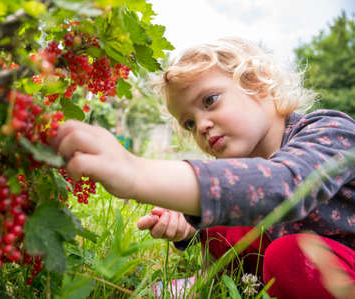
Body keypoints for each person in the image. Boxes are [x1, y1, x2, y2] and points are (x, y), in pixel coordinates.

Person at [50, 37, 355, 299]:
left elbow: (283, 186)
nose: (202, 127)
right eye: (189, 123)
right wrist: (188, 224)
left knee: (289, 256)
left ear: (258, 84)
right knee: (222, 216)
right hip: (302, 255)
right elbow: (241, 195)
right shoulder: (245, 162)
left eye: (210, 100)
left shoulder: (331, 130)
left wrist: (136, 172)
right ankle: (221, 280)